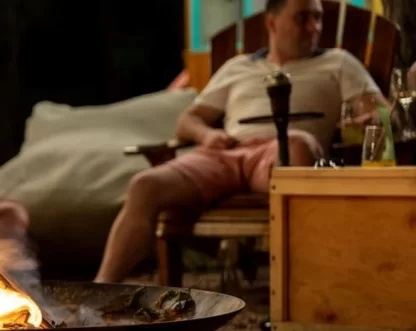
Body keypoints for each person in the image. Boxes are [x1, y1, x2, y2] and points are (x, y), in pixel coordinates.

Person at [94, 0, 390, 284]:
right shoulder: (237, 67)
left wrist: (367, 121)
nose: (313, 27)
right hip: (227, 153)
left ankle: (303, 286)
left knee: (299, 144)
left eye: (318, 18)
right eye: (302, 17)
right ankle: (100, 291)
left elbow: (380, 112)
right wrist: (207, 135)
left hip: (282, 152)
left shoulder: (338, 63)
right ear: (272, 22)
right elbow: (188, 120)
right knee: (144, 185)